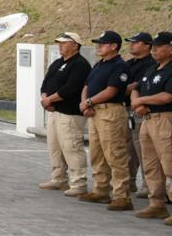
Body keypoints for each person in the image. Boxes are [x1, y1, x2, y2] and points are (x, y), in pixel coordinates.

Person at [130, 32, 172, 226]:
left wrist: (141, 101)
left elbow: (168, 96)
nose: (154, 49)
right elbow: (136, 87)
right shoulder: (152, 68)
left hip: (169, 120)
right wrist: (137, 102)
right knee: (151, 164)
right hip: (148, 120)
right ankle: (157, 203)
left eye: (159, 46)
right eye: (153, 46)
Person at [78, 30, 133, 210]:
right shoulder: (99, 64)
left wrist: (88, 102)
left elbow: (111, 91)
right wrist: (85, 103)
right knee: (97, 153)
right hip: (95, 112)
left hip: (111, 112)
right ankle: (101, 190)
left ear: (114, 46)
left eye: (102, 44)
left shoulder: (119, 66)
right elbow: (86, 85)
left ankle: (122, 196)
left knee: (115, 154)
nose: (98, 47)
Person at [38, 32, 92, 196]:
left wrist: (50, 99)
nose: (60, 46)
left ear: (75, 45)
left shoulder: (80, 65)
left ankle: (79, 182)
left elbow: (70, 88)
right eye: (59, 43)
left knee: (71, 147)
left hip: (70, 113)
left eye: (64, 43)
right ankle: (59, 178)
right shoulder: (57, 63)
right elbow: (45, 84)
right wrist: (45, 98)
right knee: (54, 147)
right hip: (54, 111)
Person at [125, 32, 156, 198]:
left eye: (136, 42)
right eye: (131, 42)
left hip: (140, 109)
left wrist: (116, 89)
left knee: (142, 149)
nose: (132, 45)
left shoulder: (151, 64)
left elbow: (137, 86)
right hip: (126, 108)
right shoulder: (129, 63)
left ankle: (148, 184)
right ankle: (128, 181)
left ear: (147, 46)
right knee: (127, 149)